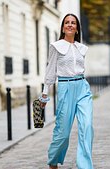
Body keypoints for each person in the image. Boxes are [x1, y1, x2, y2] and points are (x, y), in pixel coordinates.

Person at [39, 13, 94, 169]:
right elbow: (50, 71)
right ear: (63, 27)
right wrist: (44, 94)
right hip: (65, 88)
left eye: (73, 23)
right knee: (62, 132)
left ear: (77, 29)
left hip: (82, 88)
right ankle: (53, 160)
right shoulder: (56, 46)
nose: (70, 25)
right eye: (67, 22)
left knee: (87, 125)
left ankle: (85, 166)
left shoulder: (81, 48)